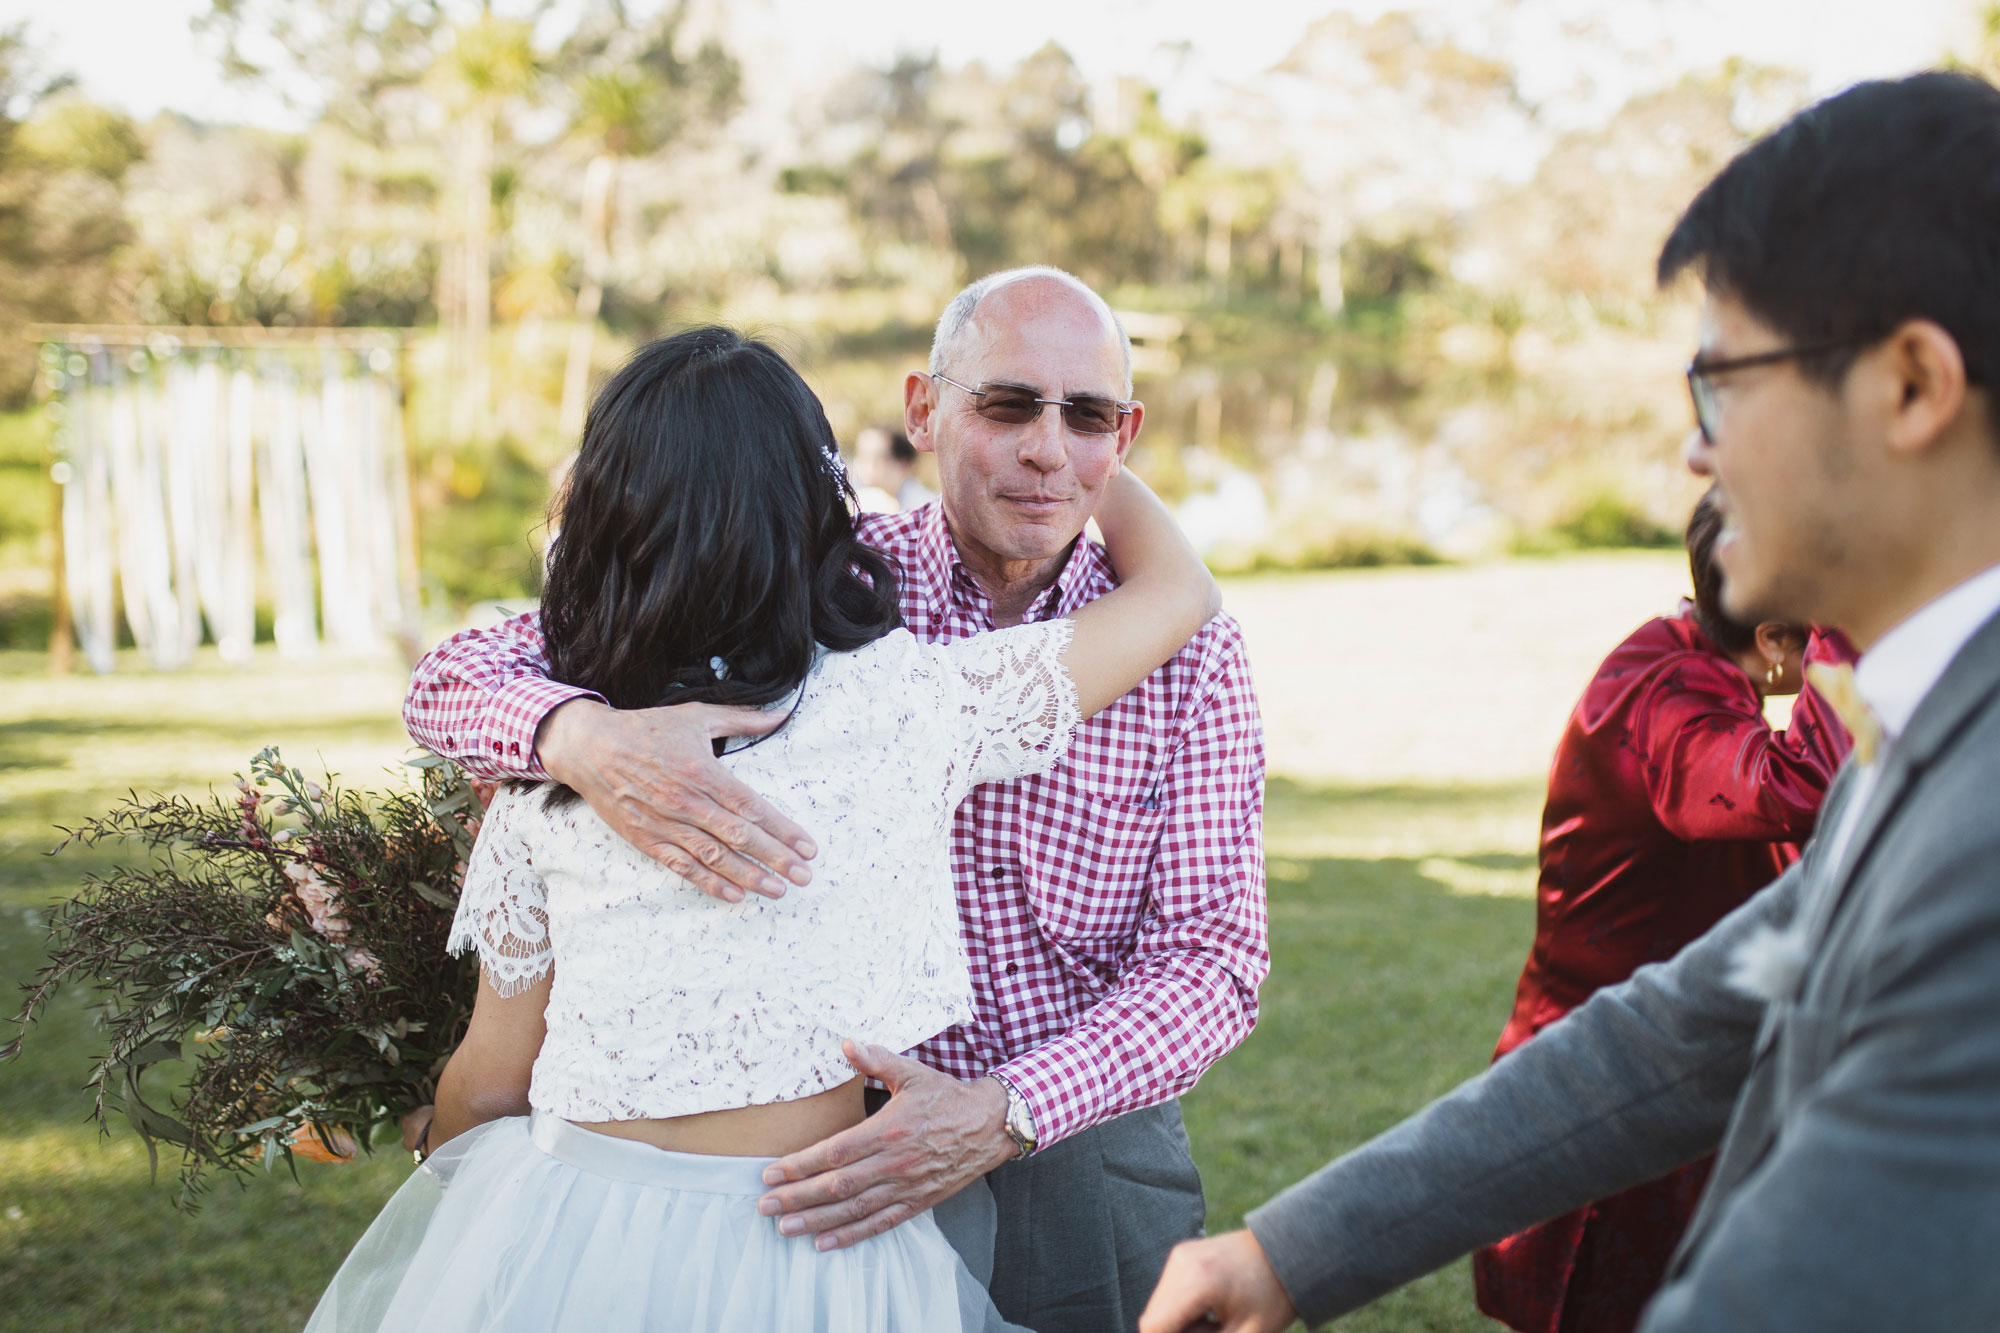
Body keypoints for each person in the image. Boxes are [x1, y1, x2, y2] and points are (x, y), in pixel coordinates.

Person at [1143, 71, 2000, 1333]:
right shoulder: (1915, 721)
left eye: (1721, 385)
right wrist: (1289, 1251)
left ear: (1911, 387)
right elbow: (1689, 1029)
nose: (1692, 453)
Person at [401, 267, 1268, 1333]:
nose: (1048, 449)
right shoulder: (828, 594)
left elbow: (1214, 960)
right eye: (1006, 405)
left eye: (1087, 418)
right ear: (924, 410)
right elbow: (459, 671)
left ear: (1123, 434)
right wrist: (571, 735)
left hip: (1069, 1141)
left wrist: (1008, 1111)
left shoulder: (1185, 656)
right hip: (813, 1166)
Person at [1472, 487, 1854, 1333]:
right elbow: (1801, 783)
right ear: (1778, 641)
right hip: (1612, 1077)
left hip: (1662, 1048)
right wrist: (1844, 623)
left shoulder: (1679, 652)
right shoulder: (1669, 699)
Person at [852, 423, 936, 513]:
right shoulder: (857, 501)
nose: (864, 465)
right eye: (862, 456)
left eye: (876, 458)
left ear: (903, 464)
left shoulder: (923, 507)